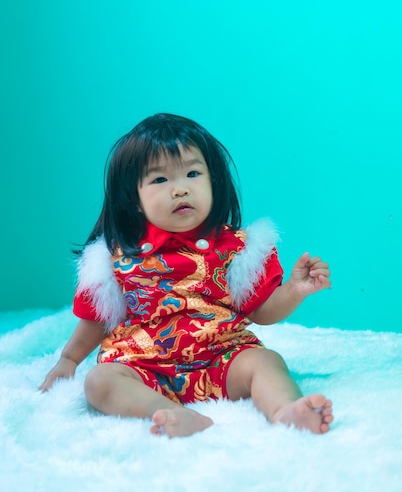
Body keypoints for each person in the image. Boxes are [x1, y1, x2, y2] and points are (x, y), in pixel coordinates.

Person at [40, 113, 333, 438]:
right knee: (99, 382)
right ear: (134, 199)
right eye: (160, 180)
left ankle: (284, 410)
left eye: (193, 173)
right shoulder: (115, 259)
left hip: (221, 357)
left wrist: (293, 289)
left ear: (214, 182)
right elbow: (96, 319)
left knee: (264, 361)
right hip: (144, 365)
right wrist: (68, 359)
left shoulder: (238, 248)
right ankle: (170, 413)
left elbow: (260, 311)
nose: (180, 189)